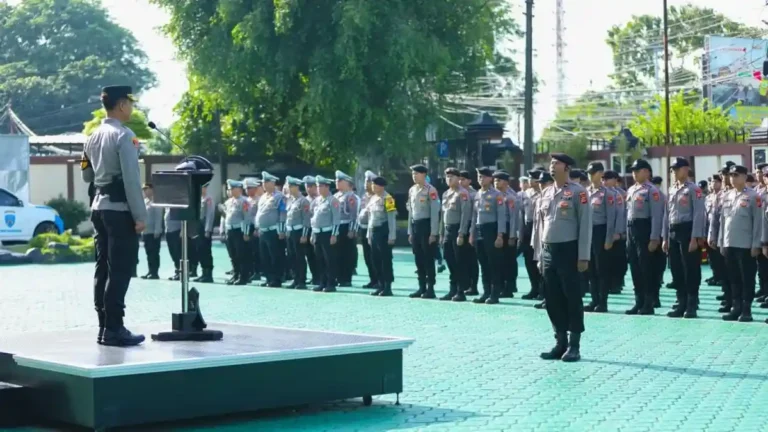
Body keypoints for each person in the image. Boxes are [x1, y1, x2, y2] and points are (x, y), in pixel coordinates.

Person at [80, 85, 146, 346]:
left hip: (98, 208)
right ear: (121, 105)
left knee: (103, 268)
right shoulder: (125, 136)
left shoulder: (91, 137)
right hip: (119, 211)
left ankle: (103, 326)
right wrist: (140, 216)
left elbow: (86, 175)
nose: (132, 107)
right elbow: (132, 180)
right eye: (130, 102)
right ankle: (115, 328)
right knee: (120, 269)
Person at [534, 153, 591, 362]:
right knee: (552, 298)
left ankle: (574, 345)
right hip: (548, 251)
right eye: (551, 163)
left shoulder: (578, 192)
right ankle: (560, 342)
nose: (551, 166)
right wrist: (539, 255)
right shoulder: (546, 192)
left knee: (572, 297)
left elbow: (585, 224)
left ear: (566, 168)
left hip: (569, 250)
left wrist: (583, 256)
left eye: (556, 163)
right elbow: (540, 226)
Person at [661, 158, 705, 318]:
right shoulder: (672, 189)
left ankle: (691, 304)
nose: (673, 172)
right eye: (672, 170)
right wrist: (665, 237)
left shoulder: (694, 189)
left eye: (676, 169)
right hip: (673, 231)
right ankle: (681, 303)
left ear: (685, 169)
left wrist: (695, 237)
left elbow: (699, 214)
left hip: (688, 230)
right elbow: (667, 214)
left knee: (690, 268)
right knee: (676, 269)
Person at [717, 165, 761, 322]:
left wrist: (756, 244)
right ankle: (736, 308)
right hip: (729, 243)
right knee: (733, 278)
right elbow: (723, 221)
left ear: (744, 177)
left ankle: (746, 310)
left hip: (745, 245)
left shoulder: (753, 196)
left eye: (736, 175)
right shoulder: (727, 196)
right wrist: (721, 241)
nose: (732, 178)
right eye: (731, 175)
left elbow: (758, 222)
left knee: (747, 278)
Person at [625, 159, 664, 315]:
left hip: (645, 230)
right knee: (635, 267)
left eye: (638, 170)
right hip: (631, 230)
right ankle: (638, 301)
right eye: (633, 171)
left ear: (647, 172)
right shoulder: (631, 189)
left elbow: (656, 215)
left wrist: (654, 237)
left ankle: (649, 302)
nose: (634, 174)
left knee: (646, 268)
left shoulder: (652, 191)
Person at [469, 167, 507, 304]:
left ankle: (494, 293)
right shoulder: (477, 194)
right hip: (479, 230)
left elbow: (501, 216)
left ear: (490, 178)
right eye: (479, 176)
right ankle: (485, 292)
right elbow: (474, 216)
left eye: (484, 177)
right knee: (483, 263)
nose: (481, 179)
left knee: (493, 263)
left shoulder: (497, 194)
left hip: (492, 230)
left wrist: (500, 235)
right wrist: (472, 233)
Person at [584, 162, 616, 313]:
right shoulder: (585, 192)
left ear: (601, 174)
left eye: (594, 173)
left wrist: (609, 238)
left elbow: (611, 217)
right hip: (588, 233)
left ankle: (603, 302)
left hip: (600, 232)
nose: (591, 176)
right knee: (590, 269)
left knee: (601, 269)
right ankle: (594, 300)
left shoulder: (607, 194)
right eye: (589, 173)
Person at [407, 164, 440, 299]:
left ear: (424, 175)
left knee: (428, 258)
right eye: (413, 174)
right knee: (418, 257)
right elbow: (410, 212)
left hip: (426, 226)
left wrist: (433, 233)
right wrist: (410, 231)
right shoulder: (412, 190)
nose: (414, 176)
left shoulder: (430, 190)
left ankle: (430, 288)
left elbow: (434, 213)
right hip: (415, 226)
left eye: (417, 174)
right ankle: (421, 287)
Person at [439, 167, 472, 302]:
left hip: (458, 229)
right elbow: (443, 216)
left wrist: (462, 233)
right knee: (449, 259)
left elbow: (465, 215)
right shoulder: (446, 194)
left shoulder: (462, 193)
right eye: (447, 177)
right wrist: (441, 233)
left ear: (458, 178)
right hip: (447, 230)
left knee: (459, 261)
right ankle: (452, 289)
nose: (449, 179)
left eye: (452, 177)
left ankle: (460, 290)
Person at [255, 172, 287, 287]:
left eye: (266, 182)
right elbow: (259, 212)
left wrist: (281, 230)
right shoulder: (263, 197)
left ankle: (276, 279)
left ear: (272, 183)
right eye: (263, 182)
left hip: (274, 231)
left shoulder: (279, 197)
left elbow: (282, 214)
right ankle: (269, 278)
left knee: (275, 255)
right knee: (265, 256)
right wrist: (257, 227)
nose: (263, 184)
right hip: (263, 230)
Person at [367, 175, 397, 296]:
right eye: (372, 184)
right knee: (376, 259)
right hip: (374, 231)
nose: (373, 187)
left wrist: (392, 236)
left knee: (385, 260)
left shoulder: (388, 199)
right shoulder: (373, 198)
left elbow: (392, 218)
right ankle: (380, 284)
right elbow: (370, 218)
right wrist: (369, 234)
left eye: (375, 185)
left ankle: (387, 286)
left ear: (381, 186)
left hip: (384, 232)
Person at [311, 175, 341, 292]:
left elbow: (336, 219)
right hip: (317, 233)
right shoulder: (317, 201)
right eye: (317, 186)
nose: (318, 188)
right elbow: (313, 219)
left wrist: (334, 234)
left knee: (329, 259)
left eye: (321, 186)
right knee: (319, 259)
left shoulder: (333, 200)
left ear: (327, 187)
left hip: (327, 233)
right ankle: (322, 282)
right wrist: (313, 234)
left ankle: (331, 283)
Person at [493, 171, 519, 298]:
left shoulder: (510, 197)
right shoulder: (494, 195)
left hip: (508, 230)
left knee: (508, 260)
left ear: (506, 182)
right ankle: (500, 286)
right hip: (497, 229)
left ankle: (509, 286)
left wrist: (512, 236)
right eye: (495, 180)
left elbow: (514, 218)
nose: (496, 182)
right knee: (498, 260)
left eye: (499, 180)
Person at [284, 176, 312, 289]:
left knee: (299, 257)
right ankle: (295, 279)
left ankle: (301, 280)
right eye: (288, 186)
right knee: (292, 256)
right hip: (290, 231)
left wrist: (304, 235)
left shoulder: (303, 201)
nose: (288, 189)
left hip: (299, 232)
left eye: (290, 186)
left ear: (296, 187)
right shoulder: (290, 200)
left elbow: (306, 219)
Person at [601, 171, 626, 295]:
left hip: (615, 234)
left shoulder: (618, 194)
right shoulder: (600, 193)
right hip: (602, 231)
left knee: (617, 261)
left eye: (607, 179)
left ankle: (616, 284)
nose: (604, 182)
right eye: (603, 179)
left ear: (615, 180)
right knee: (605, 262)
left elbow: (620, 214)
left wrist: (618, 232)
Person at [222, 179, 251, 285]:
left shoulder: (244, 201)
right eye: (230, 189)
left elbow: (247, 218)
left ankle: (243, 276)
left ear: (239, 189)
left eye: (233, 188)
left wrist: (246, 232)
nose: (231, 190)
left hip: (239, 231)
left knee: (241, 254)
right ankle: (236, 274)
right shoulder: (228, 202)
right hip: (230, 230)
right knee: (233, 255)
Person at [521, 169, 543, 300]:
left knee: (539, 259)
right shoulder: (525, 194)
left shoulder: (543, 193)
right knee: (529, 259)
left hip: (539, 227)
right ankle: (534, 288)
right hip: (528, 227)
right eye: (529, 178)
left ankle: (542, 290)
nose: (530, 180)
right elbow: (521, 213)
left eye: (533, 178)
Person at [334, 170, 359, 286]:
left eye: (339, 180)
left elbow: (354, 215)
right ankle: (338, 276)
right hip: (337, 227)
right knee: (337, 253)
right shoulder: (336, 196)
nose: (337, 182)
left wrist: (352, 229)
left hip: (346, 226)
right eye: (336, 180)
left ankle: (346, 278)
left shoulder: (351, 196)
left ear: (346, 182)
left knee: (346, 253)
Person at [459, 170, 480, 295]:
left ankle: (473, 286)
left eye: (463, 179)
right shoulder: (457, 193)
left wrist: (472, 232)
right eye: (459, 179)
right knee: (462, 259)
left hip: (471, 229)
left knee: (472, 260)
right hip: (460, 228)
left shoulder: (474, 194)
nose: (460, 182)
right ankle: (464, 284)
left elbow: (474, 214)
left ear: (469, 181)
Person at [358, 171, 378, 289]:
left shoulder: (381, 197)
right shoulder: (364, 196)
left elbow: (392, 214)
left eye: (369, 182)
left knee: (375, 256)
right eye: (365, 181)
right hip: (364, 228)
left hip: (375, 230)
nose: (366, 184)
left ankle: (380, 280)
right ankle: (372, 279)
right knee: (367, 257)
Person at [140, 183, 162, 280]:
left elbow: (158, 217)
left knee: (154, 253)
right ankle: (150, 271)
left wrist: (157, 230)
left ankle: (154, 272)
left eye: (147, 189)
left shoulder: (156, 201)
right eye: (144, 189)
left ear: (152, 190)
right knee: (148, 252)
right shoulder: (145, 202)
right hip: (146, 231)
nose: (145, 191)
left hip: (153, 232)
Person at [705, 175, 724, 287]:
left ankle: (721, 277)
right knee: (711, 256)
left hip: (720, 229)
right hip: (709, 230)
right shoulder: (708, 197)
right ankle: (716, 275)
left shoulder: (723, 196)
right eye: (712, 182)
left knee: (720, 256)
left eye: (717, 181)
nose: (714, 184)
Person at [243, 177, 262, 282]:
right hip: (247, 227)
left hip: (255, 227)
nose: (247, 190)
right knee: (248, 251)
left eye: (249, 188)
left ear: (255, 188)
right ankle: (250, 270)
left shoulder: (259, 200)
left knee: (256, 251)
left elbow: (258, 215)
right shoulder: (246, 201)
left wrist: (257, 228)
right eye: (246, 188)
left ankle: (257, 272)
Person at [303, 175, 321, 285]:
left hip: (318, 229)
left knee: (319, 255)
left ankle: (321, 276)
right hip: (307, 229)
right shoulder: (304, 200)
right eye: (307, 186)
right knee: (309, 254)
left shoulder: (320, 199)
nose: (309, 189)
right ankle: (315, 276)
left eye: (311, 186)